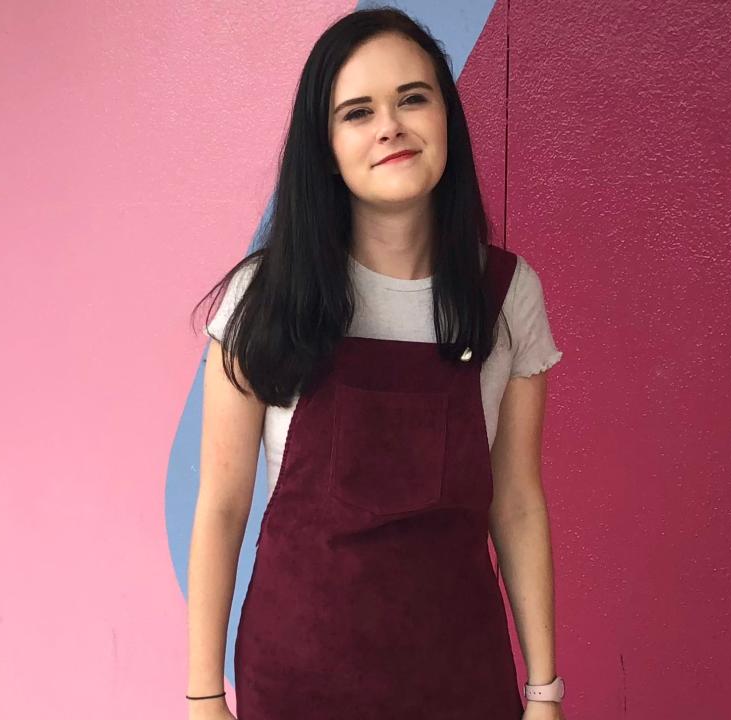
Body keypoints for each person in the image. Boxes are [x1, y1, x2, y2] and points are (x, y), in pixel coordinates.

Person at [187, 7, 567, 720]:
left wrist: (544, 691)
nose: (390, 125)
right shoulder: (263, 298)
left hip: (460, 683)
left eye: (412, 99)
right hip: (295, 685)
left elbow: (516, 502)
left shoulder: (507, 294)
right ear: (325, 148)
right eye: (357, 112)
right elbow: (222, 505)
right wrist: (204, 697)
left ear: (447, 118)